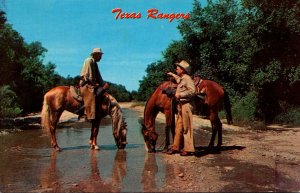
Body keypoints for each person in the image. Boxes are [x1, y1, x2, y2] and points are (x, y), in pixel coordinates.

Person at [166, 60, 196, 156]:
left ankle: (188, 148)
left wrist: (180, 94)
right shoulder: (182, 78)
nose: (176, 69)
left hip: (186, 105)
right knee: (178, 126)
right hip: (181, 106)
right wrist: (172, 75)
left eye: (177, 68)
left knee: (187, 127)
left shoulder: (187, 79)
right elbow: (178, 79)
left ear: (182, 70)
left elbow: (192, 91)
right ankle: (176, 146)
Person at [79, 47, 109, 121]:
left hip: (91, 82)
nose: (101, 57)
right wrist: (95, 84)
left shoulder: (94, 62)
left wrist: (103, 84)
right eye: (100, 55)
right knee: (92, 95)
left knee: (102, 92)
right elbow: (89, 76)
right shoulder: (89, 61)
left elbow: (99, 76)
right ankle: (85, 114)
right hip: (86, 83)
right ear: (96, 54)